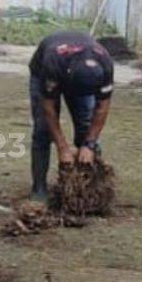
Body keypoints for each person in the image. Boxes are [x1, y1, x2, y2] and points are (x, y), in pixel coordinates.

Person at [29, 32, 114, 202]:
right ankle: (39, 187)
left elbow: (102, 108)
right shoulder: (52, 63)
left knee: (85, 125)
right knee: (43, 131)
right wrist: (62, 148)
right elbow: (48, 109)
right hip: (44, 73)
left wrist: (89, 145)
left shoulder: (105, 65)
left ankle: (91, 187)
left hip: (75, 74)